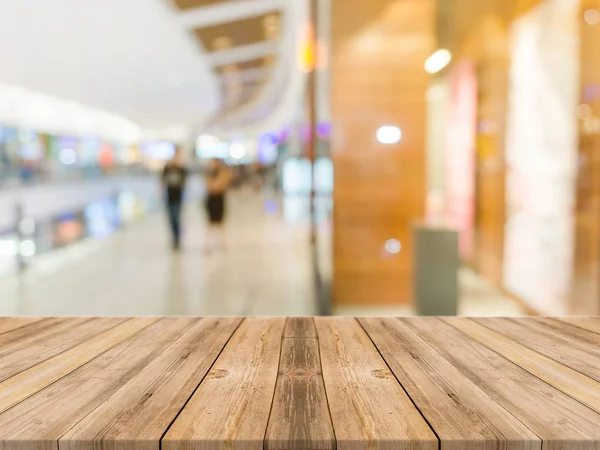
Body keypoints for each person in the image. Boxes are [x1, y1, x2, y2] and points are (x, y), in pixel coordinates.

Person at [161, 149, 188, 250]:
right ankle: (173, 238)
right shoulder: (167, 168)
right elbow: (162, 181)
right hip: (169, 198)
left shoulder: (182, 169)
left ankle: (177, 239)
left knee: (177, 219)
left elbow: (184, 183)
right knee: (171, 219)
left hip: (178, 198)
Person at [204, 158, 231, 251]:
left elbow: (223, 184)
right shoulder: (209, 173)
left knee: (221, 221)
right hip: (211, 199)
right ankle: (209, 243)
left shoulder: (223, 173)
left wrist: (216, 185)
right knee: (210, 221)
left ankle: (222, 241)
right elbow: (208, 185)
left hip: (219, 198)